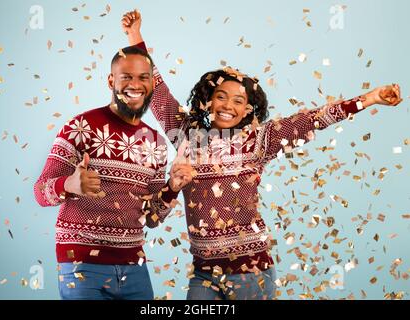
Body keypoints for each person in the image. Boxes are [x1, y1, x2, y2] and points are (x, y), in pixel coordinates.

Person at [121, 10, 402, 300]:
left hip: (251, 273)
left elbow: (314, 119)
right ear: (207, 101)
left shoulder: (260, 140)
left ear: (248, 110)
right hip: (204, 273)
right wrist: (134, 36)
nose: (228, 105)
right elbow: (157, 92)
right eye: (221, 96)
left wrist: (370, 99)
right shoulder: (186, 136)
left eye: (238, 100)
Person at [34, 43, 193, 300]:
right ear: (111, 81)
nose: (135, 84)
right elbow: (40, 192)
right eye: (126, 77)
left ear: (152, 83)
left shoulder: (157, 143)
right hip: (82, 266)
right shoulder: (80, 127)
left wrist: (172, 187)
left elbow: (151, 218)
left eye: (143, 77)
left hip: (134, 268)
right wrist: (69, 185)